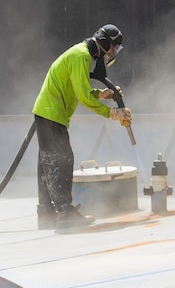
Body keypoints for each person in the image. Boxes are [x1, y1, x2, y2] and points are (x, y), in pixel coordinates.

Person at [32, 24, 132, 230]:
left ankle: (46, 213)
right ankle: (65, 214)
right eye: (113, 48)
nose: (112, 53)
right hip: (52, 112)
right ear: (104, 43)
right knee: (61, 160)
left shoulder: (81, 55)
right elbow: (84, 97)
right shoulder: (81, 56)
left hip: (49, 112)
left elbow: (80, 89)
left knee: (47, 163)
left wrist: (102, 94)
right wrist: (111, 113)